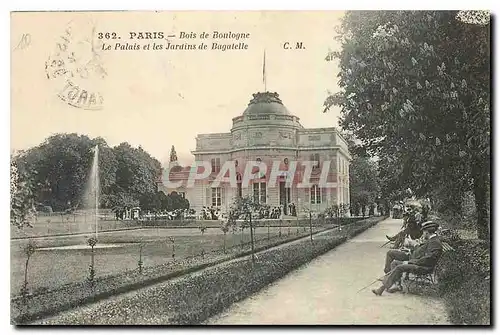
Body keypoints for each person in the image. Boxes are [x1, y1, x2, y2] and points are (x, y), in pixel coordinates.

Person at [372, 221, 443, 296]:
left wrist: (410, 262)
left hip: (424, 267)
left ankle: (381, 289)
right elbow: (422, 252)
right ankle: (395, 284)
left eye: (424, 231)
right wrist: (410, 251)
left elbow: (428, 259)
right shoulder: (432, 240)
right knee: (394, 263)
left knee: (399, 267)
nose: (423, 233)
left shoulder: (434, 242)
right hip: (418, 262)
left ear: (427, 232)